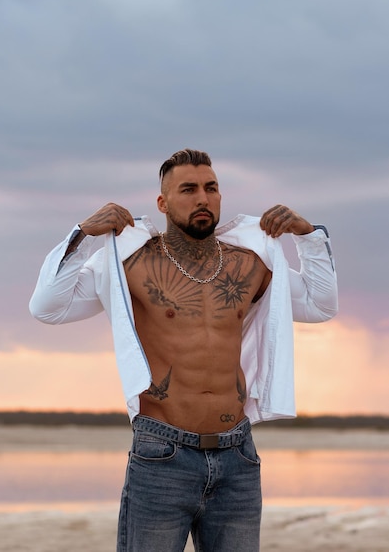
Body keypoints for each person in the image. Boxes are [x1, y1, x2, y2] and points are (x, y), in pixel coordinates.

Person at [29, 149, 338, 552]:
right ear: (163, 203)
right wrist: (83, 234)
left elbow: (321, 304)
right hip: (161, 455)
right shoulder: (132, 264)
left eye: (211, 188)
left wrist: (307, 235)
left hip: (237, 455)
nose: (202, 199)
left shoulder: (251, 265)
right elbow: (48, 307)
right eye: (188, 189)